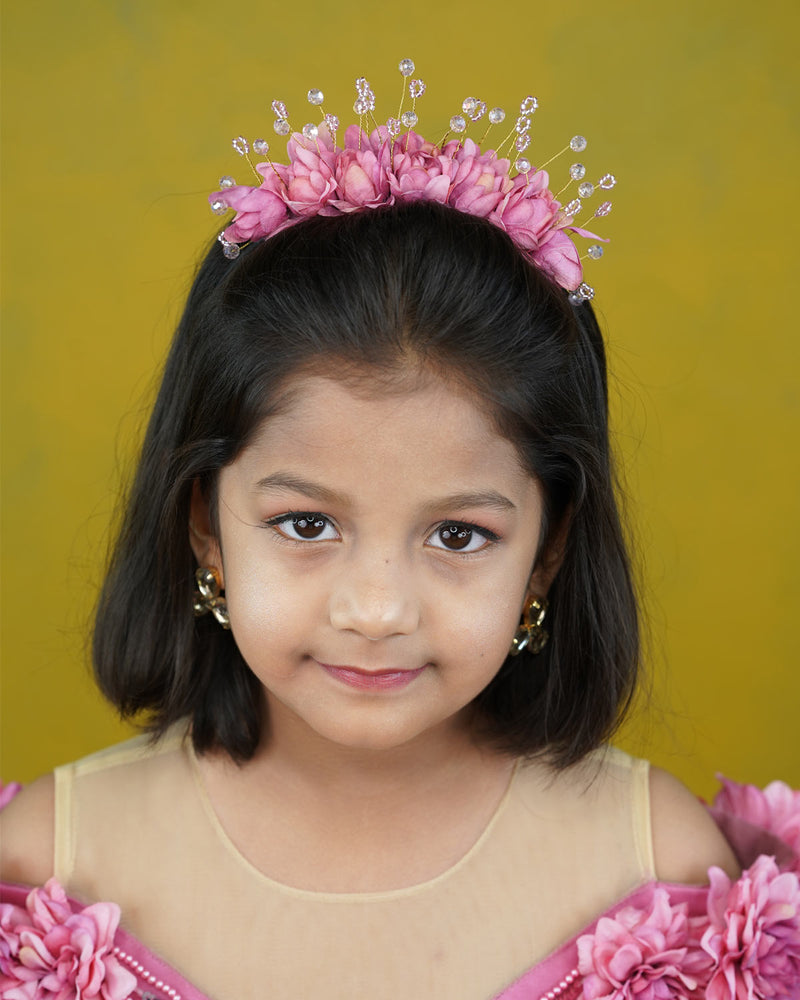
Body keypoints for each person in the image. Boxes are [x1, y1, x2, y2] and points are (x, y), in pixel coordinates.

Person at [2, 64, 798, 1000]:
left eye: (459, 536)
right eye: (305, 522)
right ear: (206, 528)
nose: (376, 609)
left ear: (547, 550)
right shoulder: (46, 870)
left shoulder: (664, 874)